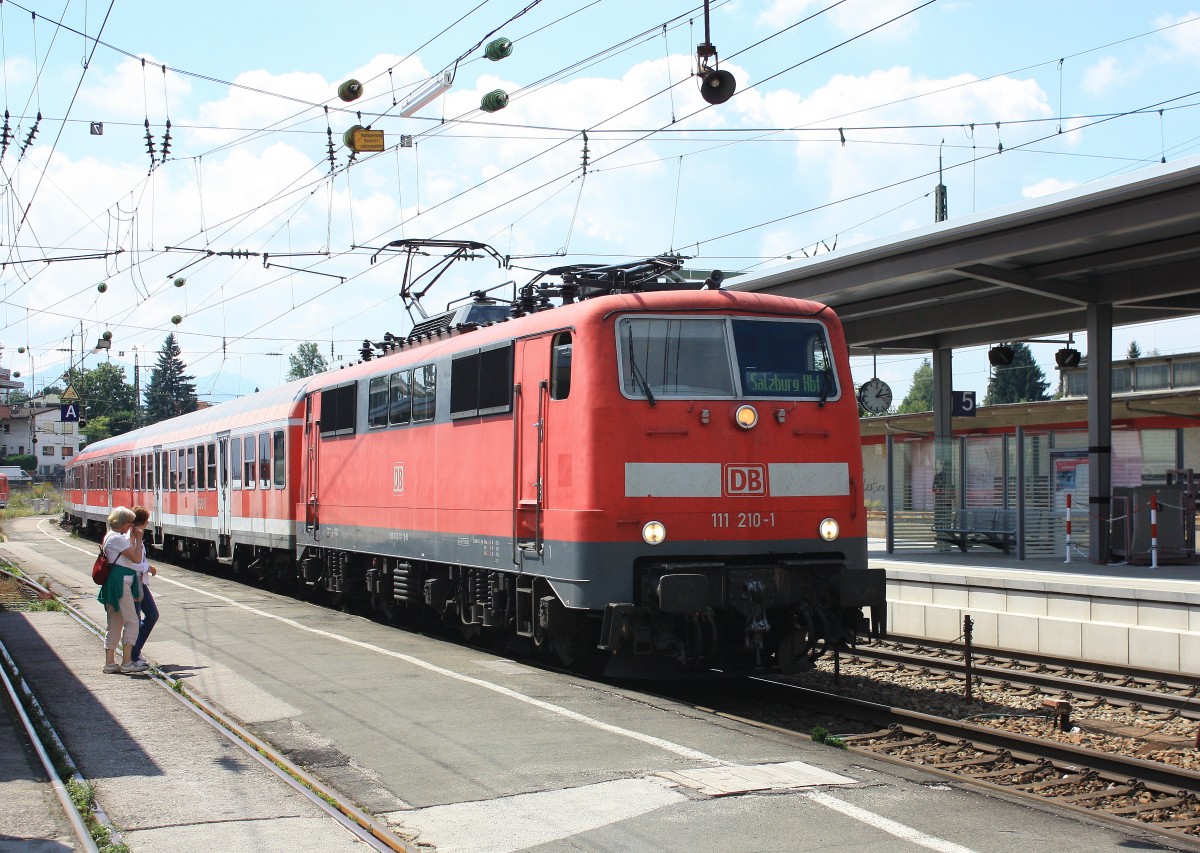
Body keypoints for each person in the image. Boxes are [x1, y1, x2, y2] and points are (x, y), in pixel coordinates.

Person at [98, 507, 149, 675]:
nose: (131, 526)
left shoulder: (110, 537)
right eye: (129, 522)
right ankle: (127, 661)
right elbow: (135, 558)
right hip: (121, 583)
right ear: (122, 522)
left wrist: (133, 538)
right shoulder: (117, 539)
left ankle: (110, 663)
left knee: (114, 623)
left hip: (114, 582)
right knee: (132, 621)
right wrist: (138, 539)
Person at [128, 506, 158, 667]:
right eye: (146, 522)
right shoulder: (131, 539)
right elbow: (133, 563)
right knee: (148, 616)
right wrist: (148, 568)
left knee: (144, 617)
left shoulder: (135, 537)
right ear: (140, 523)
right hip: (135, 583)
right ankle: (133, 655)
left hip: (140, 582)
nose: (148, 525)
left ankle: (135, 652)